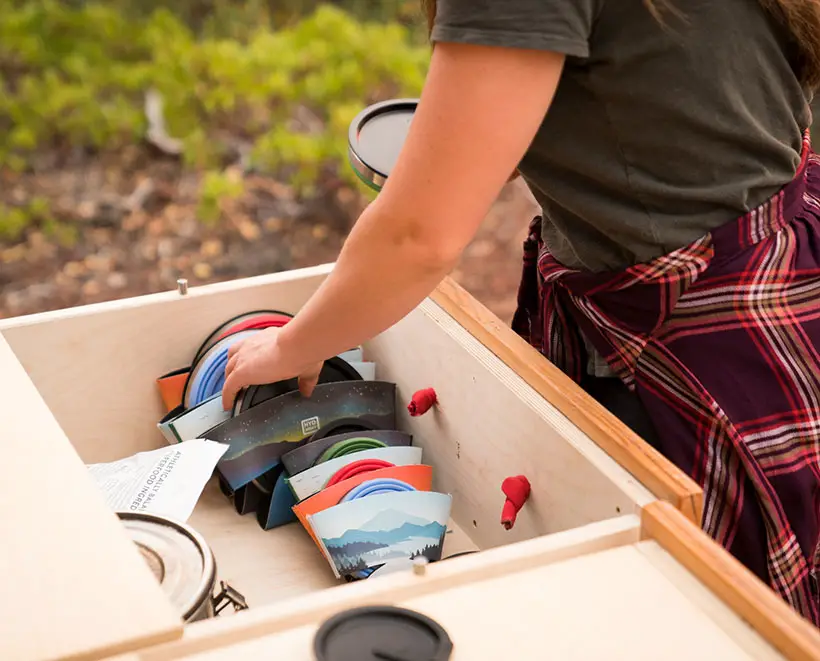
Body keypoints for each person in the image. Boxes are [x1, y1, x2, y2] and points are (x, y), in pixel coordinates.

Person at [222, 0, 820, 624]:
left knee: (707, 622)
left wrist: (292, 347)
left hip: (701, 338)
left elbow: (417, 238)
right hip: (782, 269)